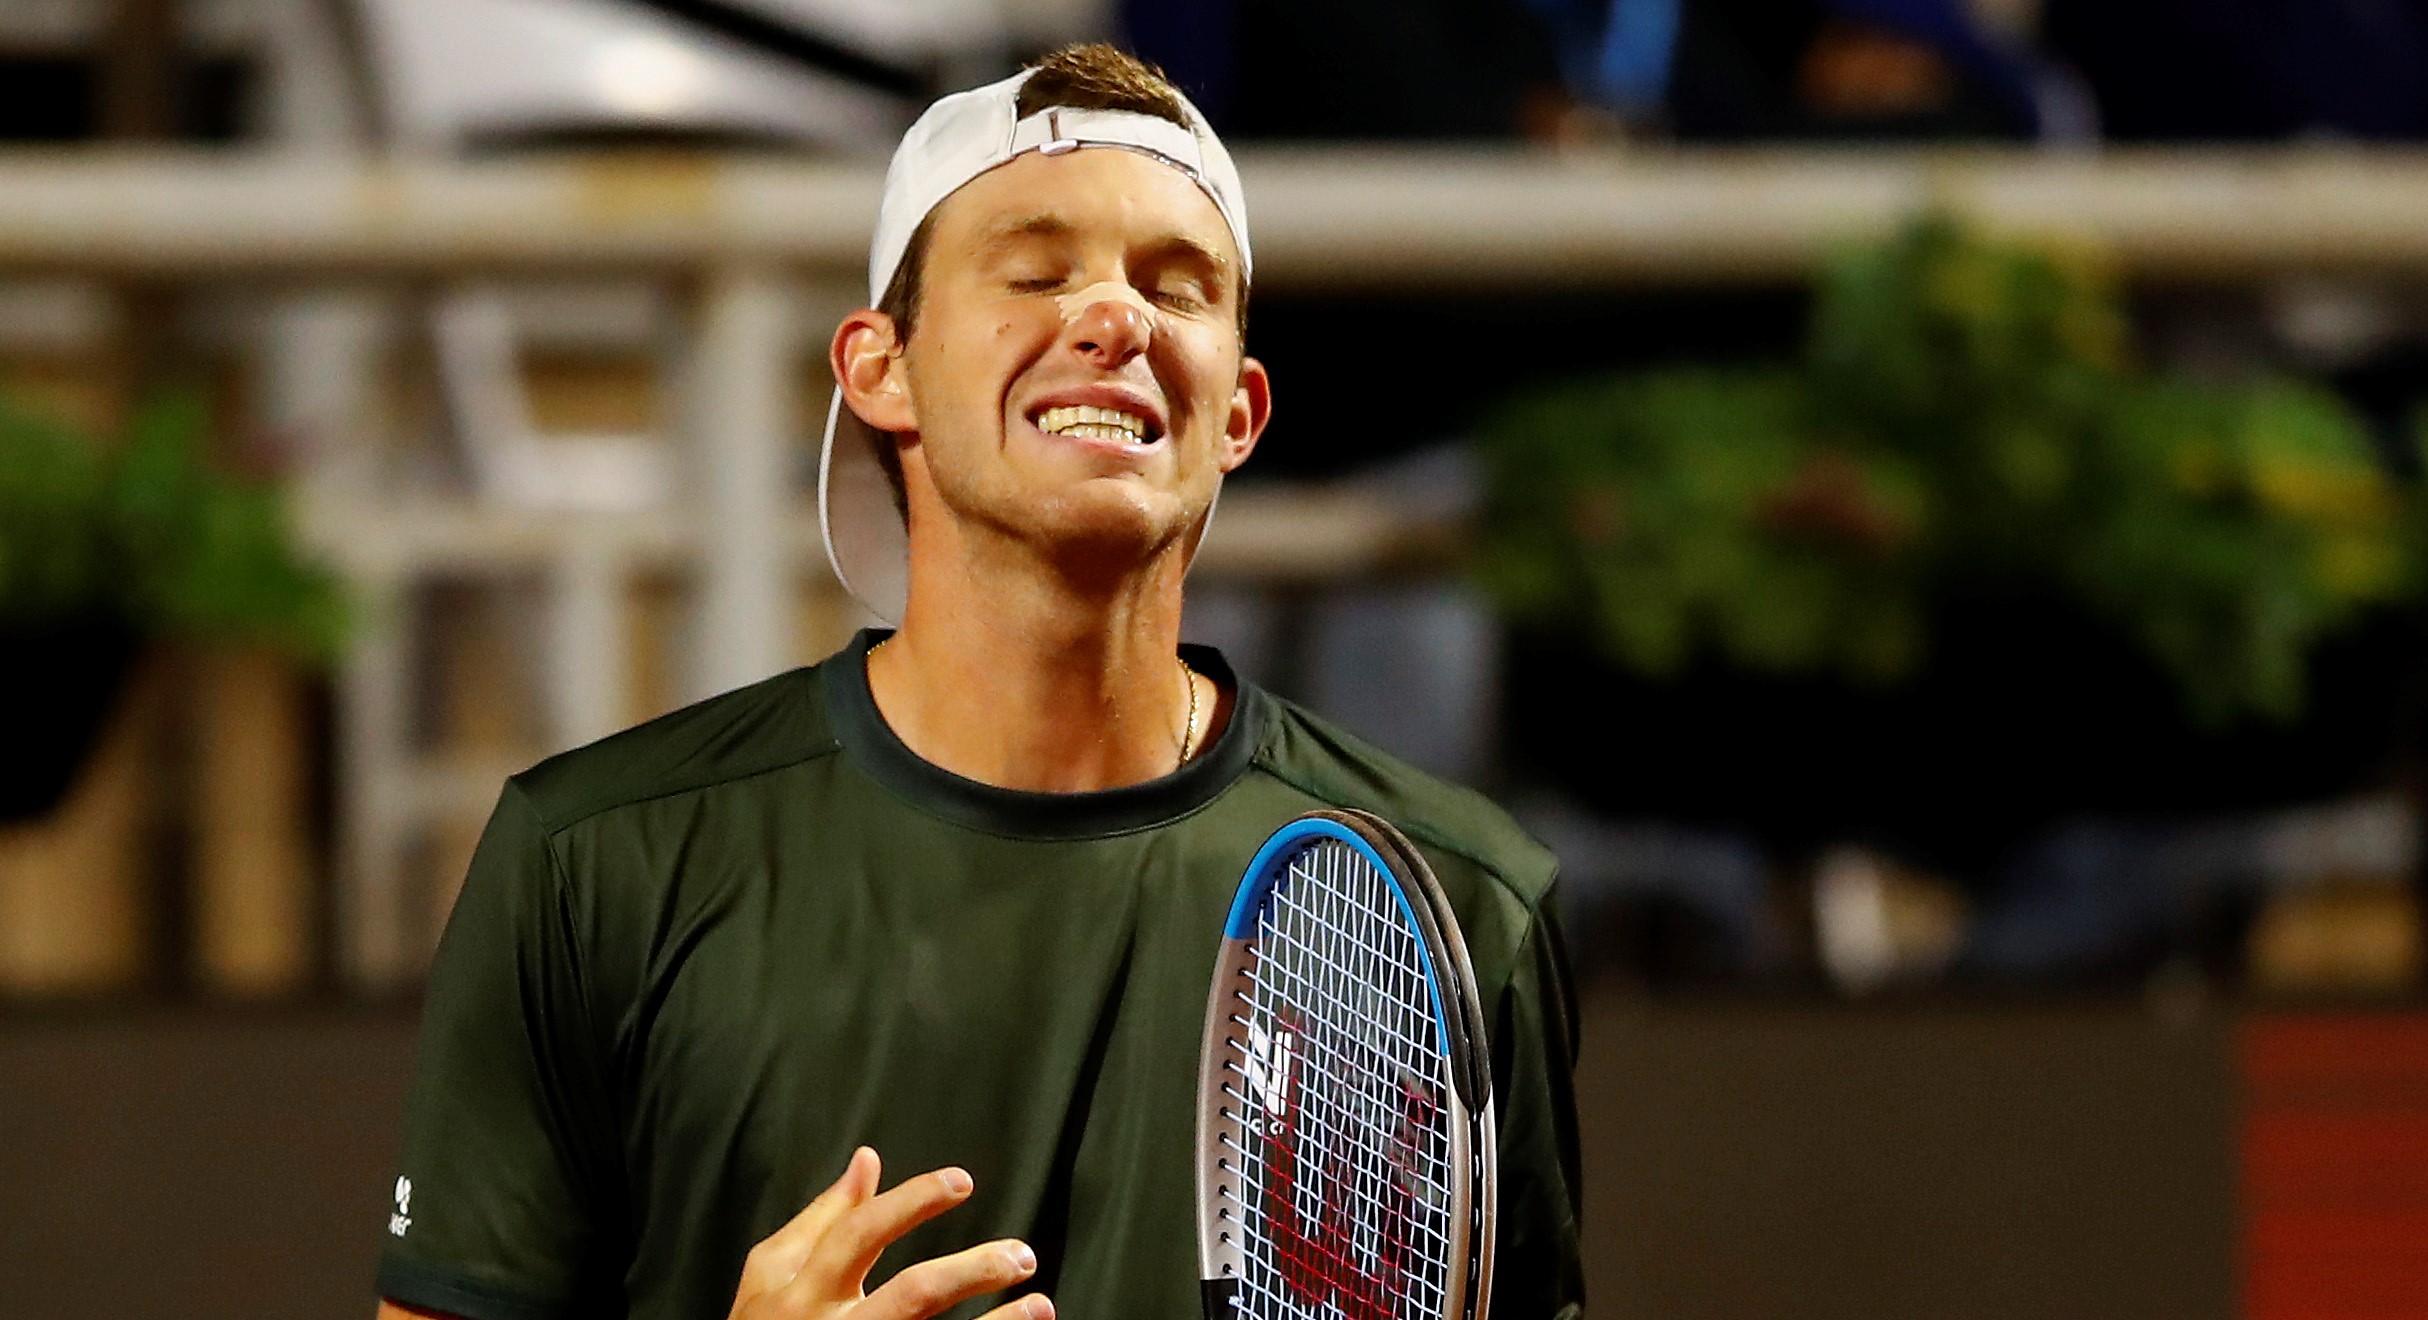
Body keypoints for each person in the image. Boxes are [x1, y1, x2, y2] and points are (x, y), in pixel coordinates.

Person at [374, 43, 1584, 1320]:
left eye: (1177, 289)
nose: (1115, 318)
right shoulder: (592, 864)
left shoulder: (1462, 904)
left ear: (1239, 410)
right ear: (876, 369)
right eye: (1035, 271)